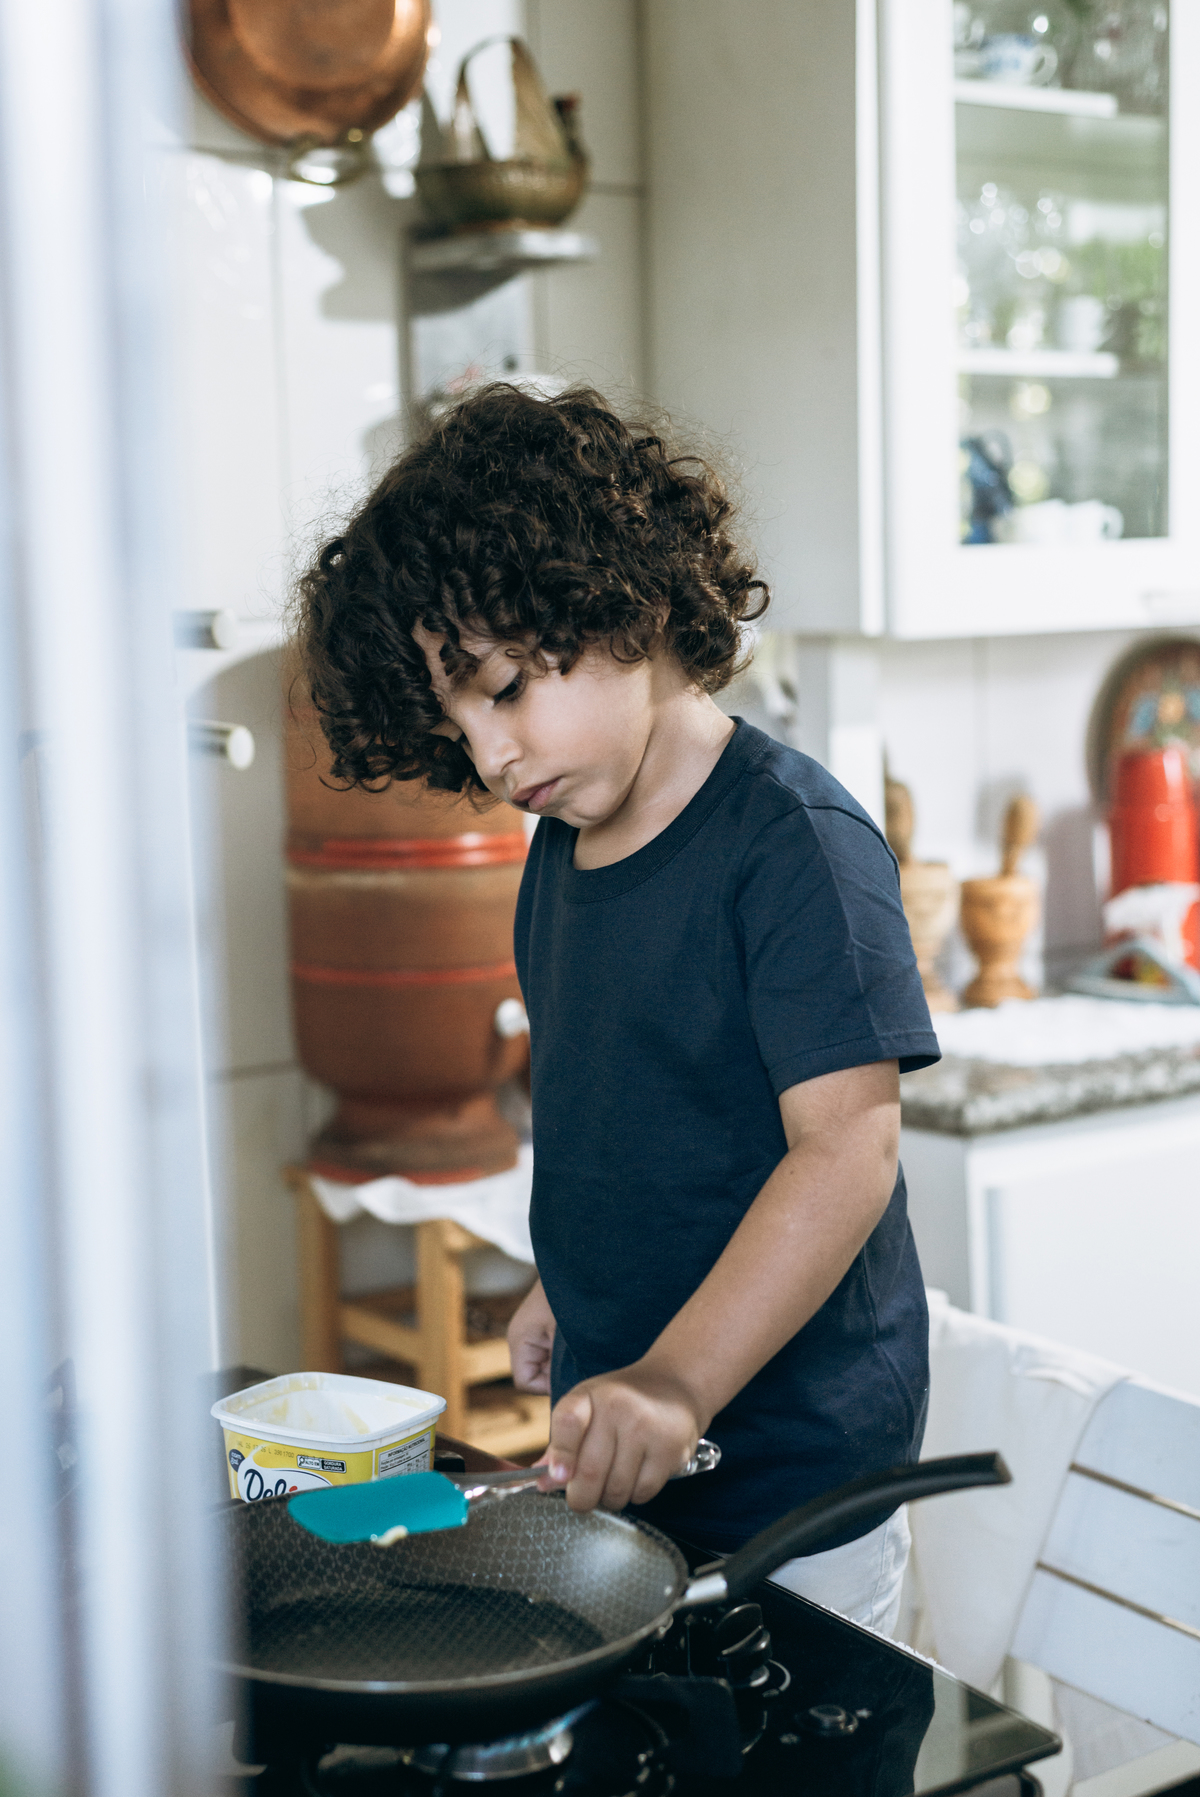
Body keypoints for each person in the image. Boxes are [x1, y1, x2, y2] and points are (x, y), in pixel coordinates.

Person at [294, 384, 940, 1634]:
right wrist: (576, 1288)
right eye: (457, 723)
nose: (491, 757)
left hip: (796, 1489)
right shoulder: (563, 847)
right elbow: (627, 1116)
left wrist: (678, 1376)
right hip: (634, 1463)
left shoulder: (793, 843)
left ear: (620, 603)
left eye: (504, 689)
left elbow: (846, 1155)